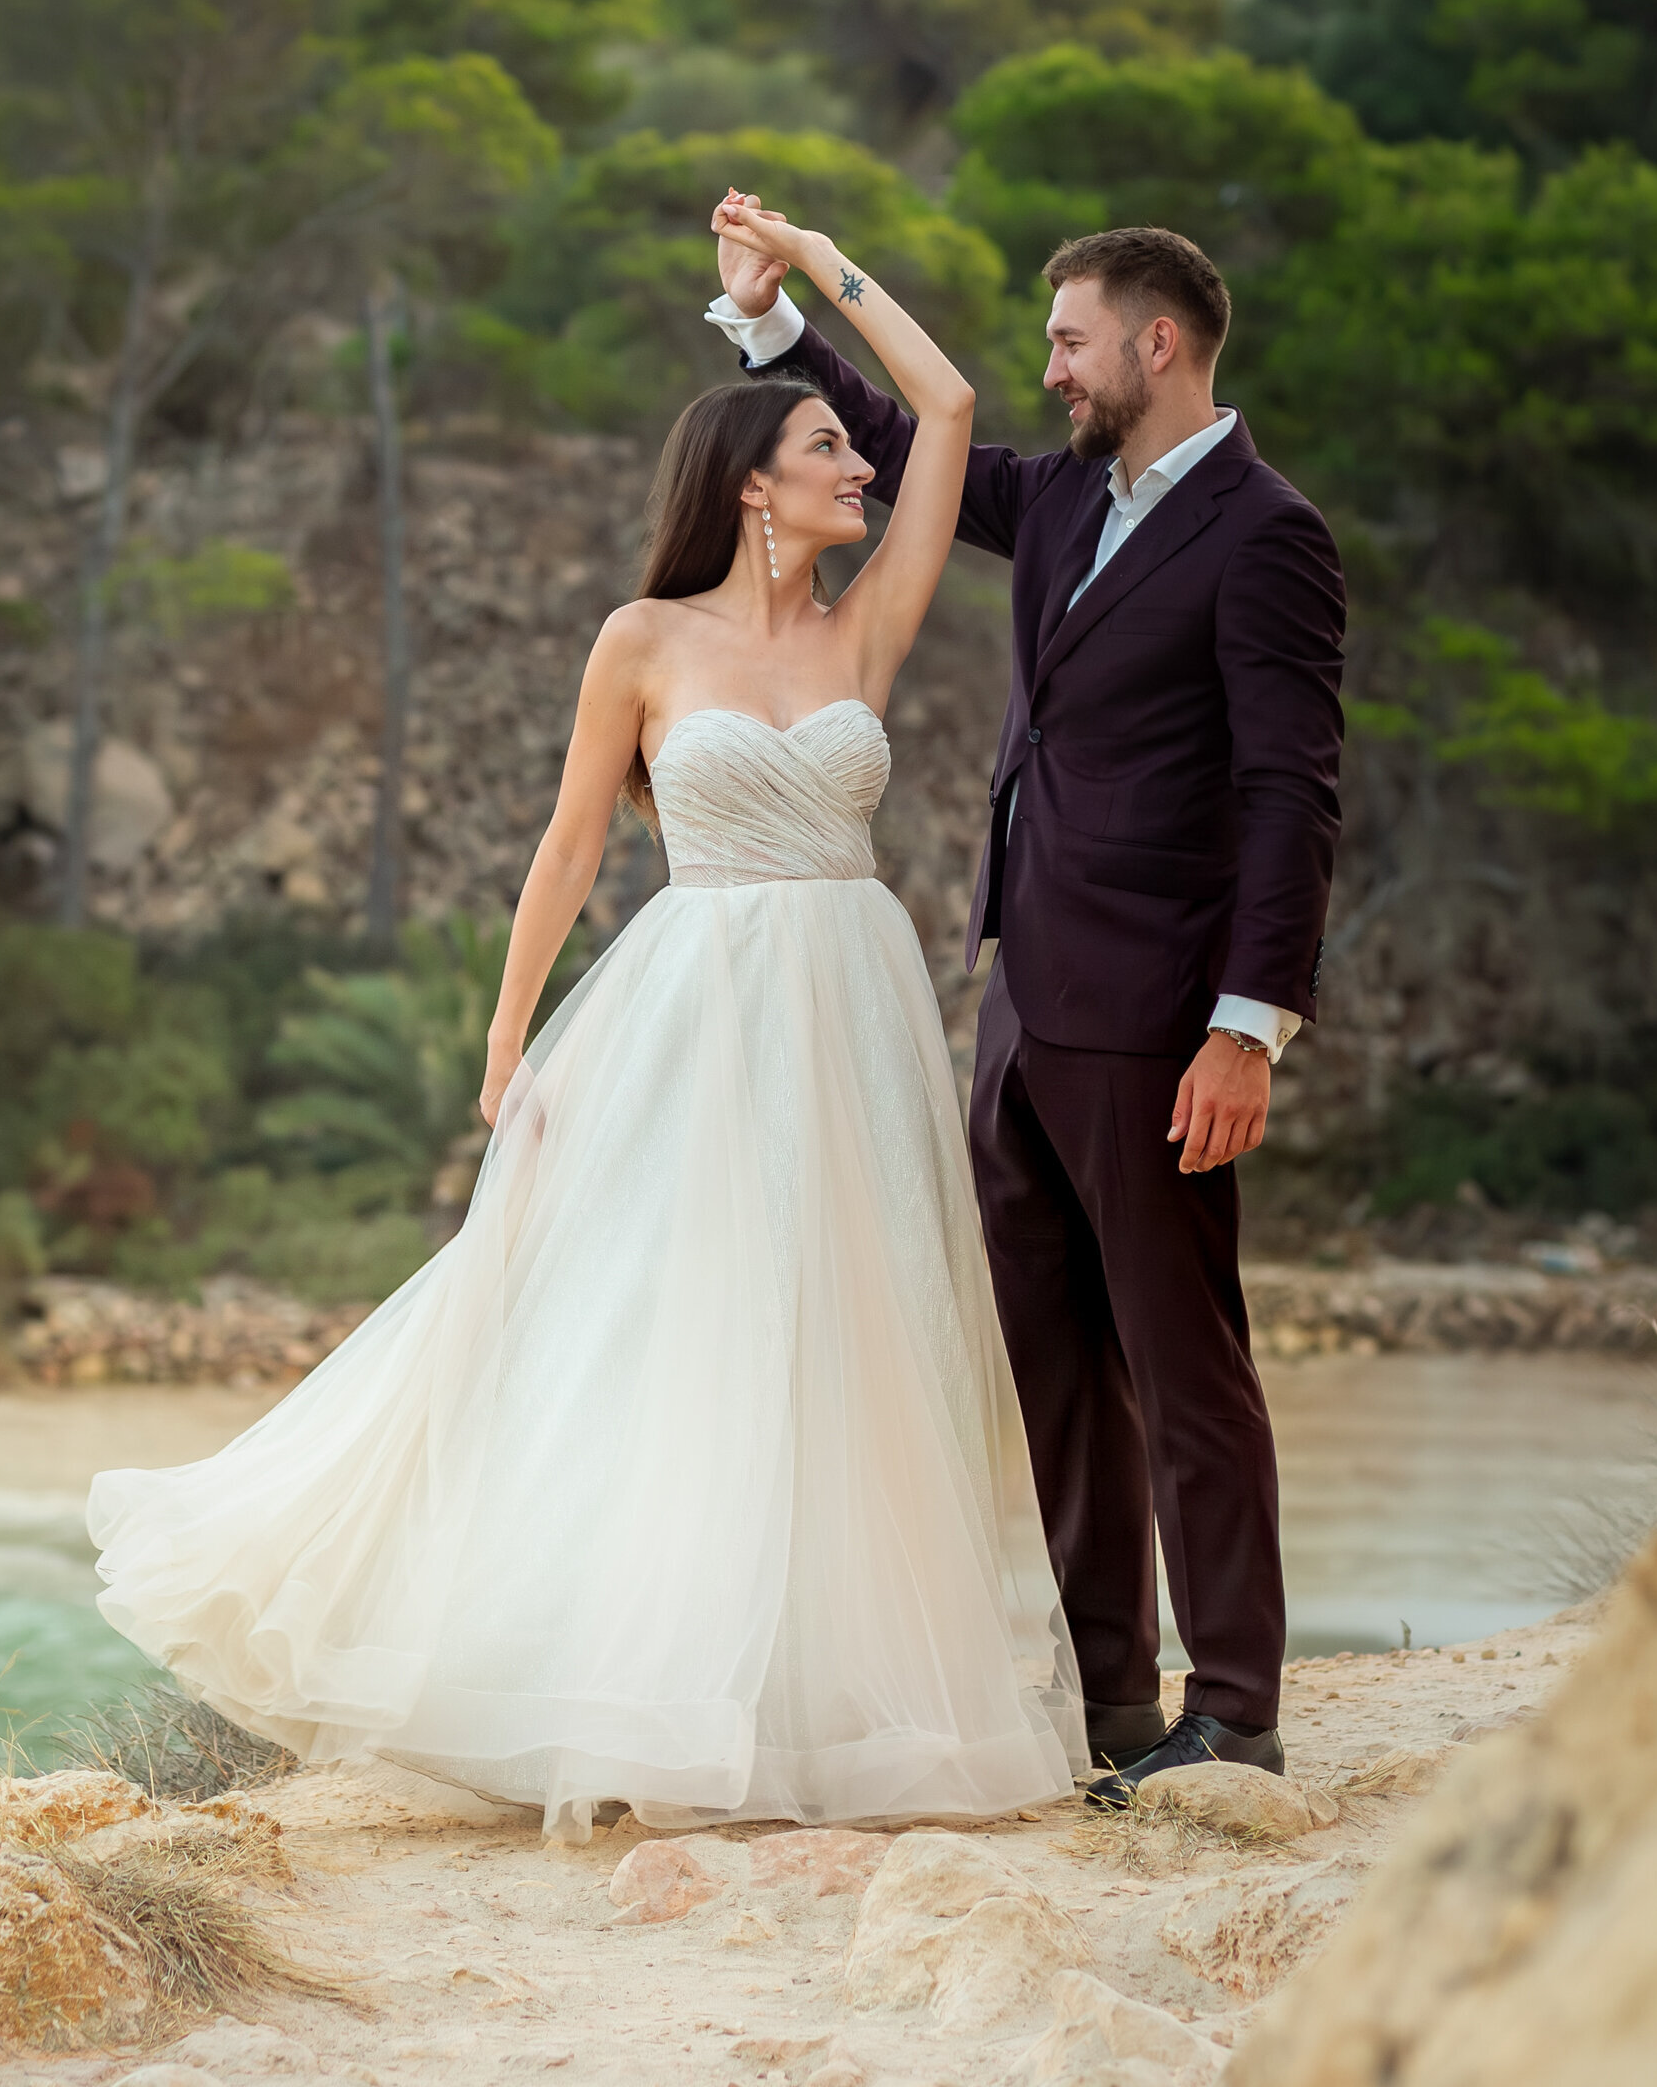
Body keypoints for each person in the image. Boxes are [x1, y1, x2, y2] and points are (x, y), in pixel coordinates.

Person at [86, 204, 1082, 1837]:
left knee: (848, 1335)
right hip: (692, 1004)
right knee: (667, 1327)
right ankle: (631, 1683)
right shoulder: (641, 640)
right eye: (828, 448)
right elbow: (568, 844)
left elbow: (956, 413)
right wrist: (503, 1042)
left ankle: (819, 1707)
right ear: (748, 485)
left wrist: (814, 268)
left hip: (849, 1001)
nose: (862, 466)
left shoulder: (863, 628)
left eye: (852, 446)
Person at [708, 205, 1344, 1797]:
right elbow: (888, 444)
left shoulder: (1267, 533)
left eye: (1070, 339)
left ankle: (1240, 1708)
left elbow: (1290, 796)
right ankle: (1110, 1695)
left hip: (1160, 1018)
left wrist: (1245, 1025)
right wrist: (772, 321)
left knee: (1183, 1360)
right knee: (1056, 1365)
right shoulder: (1063, 498)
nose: (1048, 367)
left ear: (1158, 344)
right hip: (1021, 1001)